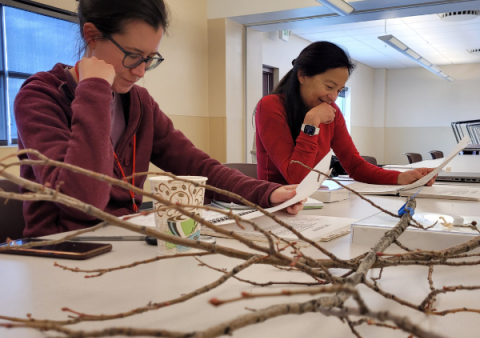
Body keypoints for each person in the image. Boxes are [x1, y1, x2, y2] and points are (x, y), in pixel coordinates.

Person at [14, 0, 303, 238]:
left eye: (150, 58)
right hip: (62, 252)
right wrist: (94, 90)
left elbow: (197, 164)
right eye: (133, 55)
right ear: (92, 36)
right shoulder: (40, 97)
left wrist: (266, 193)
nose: (140, 72)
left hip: (124, 242)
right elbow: (83, 201)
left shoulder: (139, 104)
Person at [255, 41, 436, 186]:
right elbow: (296, 179)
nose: (333, 97)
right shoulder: (271, 106)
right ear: (302, 76)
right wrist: (311, 124)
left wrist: (400, 177)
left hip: (316, 205)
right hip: (276, 209)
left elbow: (355, 166)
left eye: (340, 90)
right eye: (329, 86)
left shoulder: (332, 112)